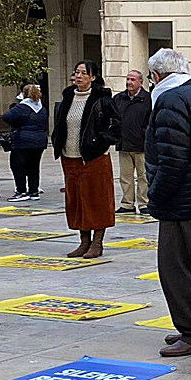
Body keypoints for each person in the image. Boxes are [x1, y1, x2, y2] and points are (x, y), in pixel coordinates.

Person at [144, 49, 191, 358]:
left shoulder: (170, 102)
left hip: (180, 198)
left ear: (158, 76)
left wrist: (156, 195)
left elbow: (172, 160)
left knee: (174, 268)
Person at [52, 60, 120, 259]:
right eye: (77, 72)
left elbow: (116, 128)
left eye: (83, 73)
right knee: (77, 200)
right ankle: (84, 241)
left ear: (93, 77)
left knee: (96, 200)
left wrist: (99, 142)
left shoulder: (103, 99)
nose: (78, 76)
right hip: (69, 157)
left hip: (94, 158)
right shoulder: (68, 97)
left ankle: (97, 242)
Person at [113, 70, 151, 215]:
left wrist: (145, 136)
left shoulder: (148, 99)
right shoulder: (119, 98)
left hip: (142, 146)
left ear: (141, 82)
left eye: (133, 80)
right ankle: (127, 204)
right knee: (125, 177)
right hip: (124, 145)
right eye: (128, 79)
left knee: (143, 176)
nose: (129, 82)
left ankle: (144, 203)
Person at [3, 85, 48, 201]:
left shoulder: (23, 107)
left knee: (18, 166)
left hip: (22, 140)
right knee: (34, 166)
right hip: (39, 141)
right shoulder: (42, 108)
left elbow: (7, 117)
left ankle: (21, 191)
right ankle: (34, 191)